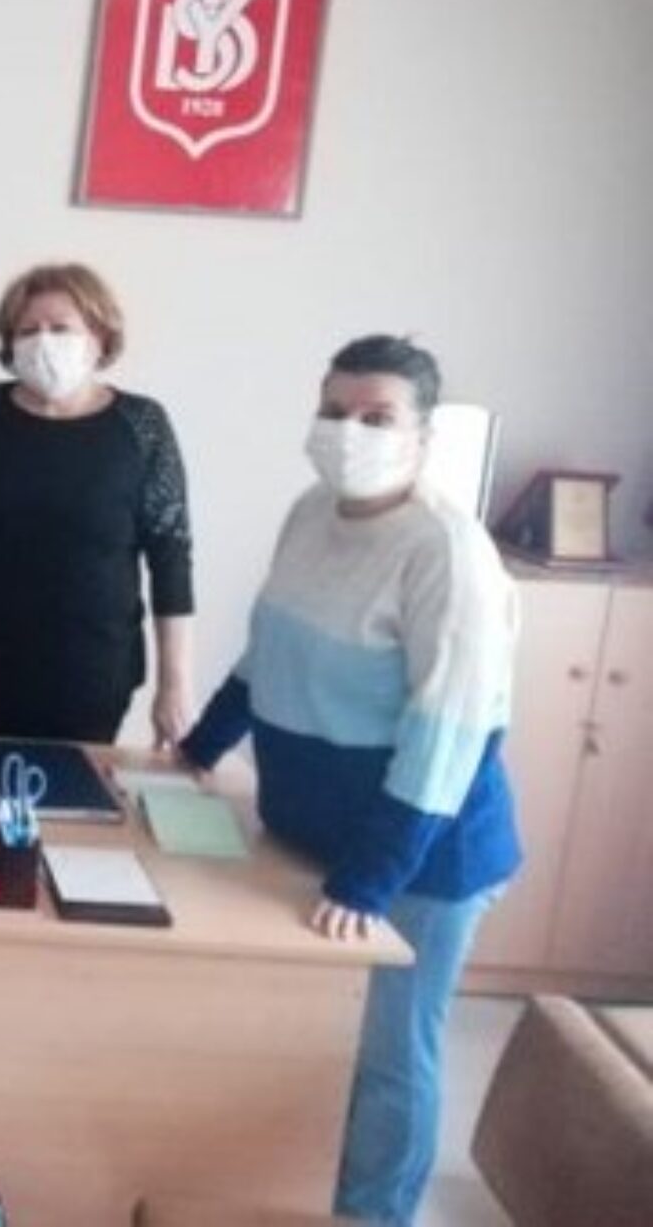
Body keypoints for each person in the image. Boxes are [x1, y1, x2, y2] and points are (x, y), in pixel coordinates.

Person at [179, 335, 522, 1226]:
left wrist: (369, 881)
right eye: (335, 411)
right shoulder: (310, 511)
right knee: (312, 1031)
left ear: (423, 434)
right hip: (318, 834)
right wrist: (200, 747)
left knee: (390, 1051)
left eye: (378, 416)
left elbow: (446, 737)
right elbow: (270, 650)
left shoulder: (448, 551)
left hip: (423, 858)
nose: (350, 432)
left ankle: (376, 1213)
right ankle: (300, 1193)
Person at [0, 262, 194, 744]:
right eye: (28, 330)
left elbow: (171, 560)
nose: (43, 341)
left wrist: (175, 685)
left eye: (60, 328)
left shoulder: (142, 426)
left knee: (71, 788)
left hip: (90, 671)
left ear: (100, 337)